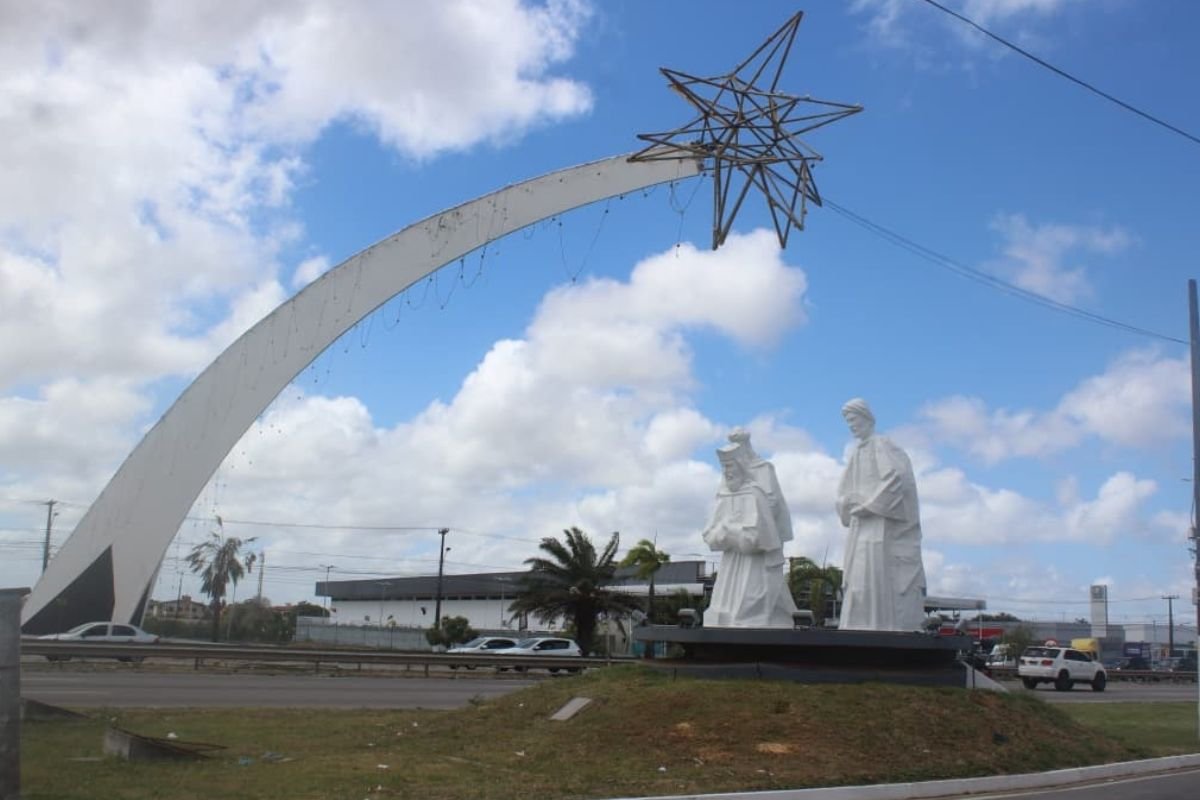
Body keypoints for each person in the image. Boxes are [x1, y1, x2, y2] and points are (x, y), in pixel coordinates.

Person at [836, 398, 927, 631]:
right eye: (848, 422)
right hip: (860, 525)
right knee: (857, 579)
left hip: (879, 524)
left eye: (854, 420)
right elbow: (844, 491)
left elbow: (896, 478)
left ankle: (878, 623)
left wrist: (869, 505)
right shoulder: (857, 452)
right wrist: (846, 503)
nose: (852, 426)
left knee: (873, 574)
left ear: (867, 419)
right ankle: (857, 624)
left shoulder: (882, 444)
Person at [702, 430, 799, 627]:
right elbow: (711, 528)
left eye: (730, 466)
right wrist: (721, 534)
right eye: (724, 468)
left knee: (755, 596)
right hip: (732, 557)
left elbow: (764, 521)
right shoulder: (727, 491)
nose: (727, 472)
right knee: (728, 600)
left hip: (756, 553)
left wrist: (735, 532)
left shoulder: (759, 483)